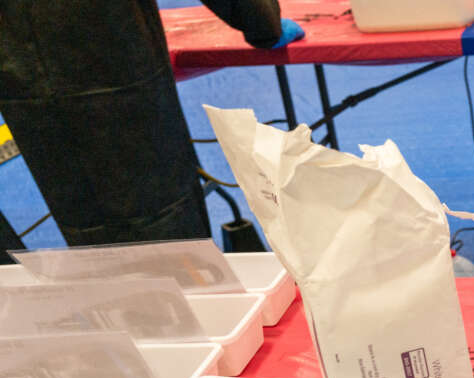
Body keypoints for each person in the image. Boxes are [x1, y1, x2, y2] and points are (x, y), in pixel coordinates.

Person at [0, 1, 303, 250]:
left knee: (95, 233)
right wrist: (261, 22)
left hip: (26, 70)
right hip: (106, 68)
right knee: (156, 231)